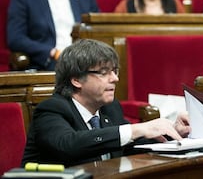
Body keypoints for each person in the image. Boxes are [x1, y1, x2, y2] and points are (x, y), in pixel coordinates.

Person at [21, 38, 190, 167]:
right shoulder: (51, 109)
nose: (115, 79)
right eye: (103, 73)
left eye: (115, 71)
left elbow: (130, 145)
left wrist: (172, 133)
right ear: (76, 80)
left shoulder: (110, 108)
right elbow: (68, 145)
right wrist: (135, 129)